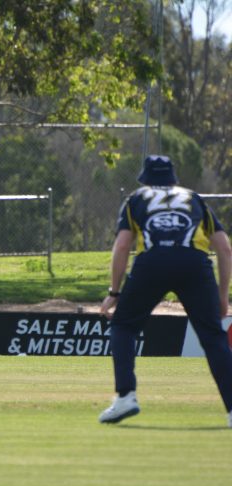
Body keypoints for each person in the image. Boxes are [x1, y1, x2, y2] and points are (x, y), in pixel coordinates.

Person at [99, 155, 232, 427]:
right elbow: (224, 248)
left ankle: (125, 396)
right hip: (194, 263)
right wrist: (222, 295)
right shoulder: (194, 199)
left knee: (123, 326)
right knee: (213, 338)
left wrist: (114, 293)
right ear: (173, 178)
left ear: (145, 178)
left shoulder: (137, 199)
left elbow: (122, 246)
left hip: (152, 261)